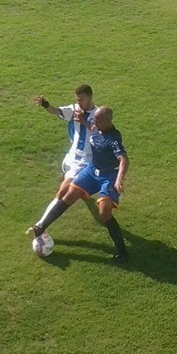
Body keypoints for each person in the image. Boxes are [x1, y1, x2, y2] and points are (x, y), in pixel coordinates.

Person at [27, 107, 130, 263]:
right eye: (94, 119)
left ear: (108, 121)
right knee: (70, 193)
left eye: (98, 120)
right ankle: (41, 227)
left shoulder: (113, 138)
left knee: (104, 213)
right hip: (92, 170)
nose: (94, 122)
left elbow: (123, 159)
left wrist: (119, 179)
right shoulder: (97, 128)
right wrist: (82, 120)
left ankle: (123, 252)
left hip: (108, 175)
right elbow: (92, 128)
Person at [33, 84, 97, 210]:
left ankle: (41, 225)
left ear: (90, 97)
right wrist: (45, 104)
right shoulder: (74, 109)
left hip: (86, 158)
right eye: (77, 100)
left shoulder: (98, 114)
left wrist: (84, 120)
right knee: (65, 177)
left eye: (81, 100)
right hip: (72, 154)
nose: (79, 103)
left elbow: (99, 133)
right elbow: (56, 111)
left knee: (64, 190)